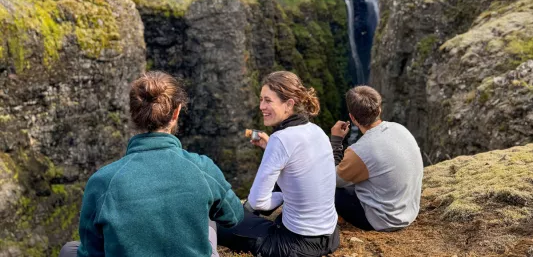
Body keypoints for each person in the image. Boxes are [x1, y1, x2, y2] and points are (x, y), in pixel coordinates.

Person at [59, 71, 243, 257]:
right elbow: (234, 216)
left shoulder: (102, 182)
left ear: (134, 114)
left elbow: (90, 252)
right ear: (177, 112)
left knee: (69, 250)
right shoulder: (202, 168)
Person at [218, 71, 340, 257]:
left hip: (295, 244)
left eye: (268, 100)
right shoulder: (317, 131)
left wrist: (283, 196)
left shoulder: (280, 139)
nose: (261, 106)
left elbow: (257, 201)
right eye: (261, 100)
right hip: (330, 236)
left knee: (221, 222)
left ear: (289, 104)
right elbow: (301, 167)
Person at [330, 85, 423, 231]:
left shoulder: (360, 151)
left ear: (352, 118)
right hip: (408, 211)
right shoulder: (400, 129)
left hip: (384, 220)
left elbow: (333, 179)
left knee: (329, 189)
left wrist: (336, 141)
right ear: (379, 109)